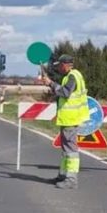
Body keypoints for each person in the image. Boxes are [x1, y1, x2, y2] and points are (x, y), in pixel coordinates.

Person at [38, 54, 90, 190]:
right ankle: (63, 175)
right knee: (66, 150)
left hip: (71, 119)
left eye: (59, 66)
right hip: (69, 118)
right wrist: (51, 84)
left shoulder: (72, 77)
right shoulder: (72, 76)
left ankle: (71, 179)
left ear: (65, 65)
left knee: (70, 151)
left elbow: (65, 92)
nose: (58, 69)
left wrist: (51, 83)